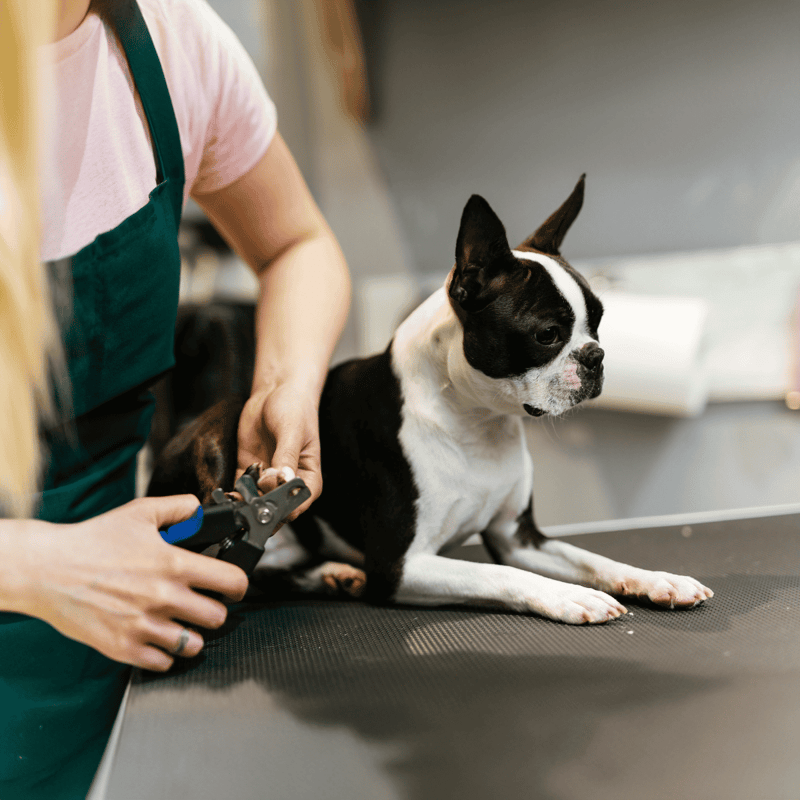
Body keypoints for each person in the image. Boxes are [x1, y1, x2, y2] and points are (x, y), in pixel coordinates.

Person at [0, 0, 352, 797]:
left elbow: (297, 245)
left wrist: (285, 381)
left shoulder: (171, 39)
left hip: (121, 640)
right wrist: (34, 563)